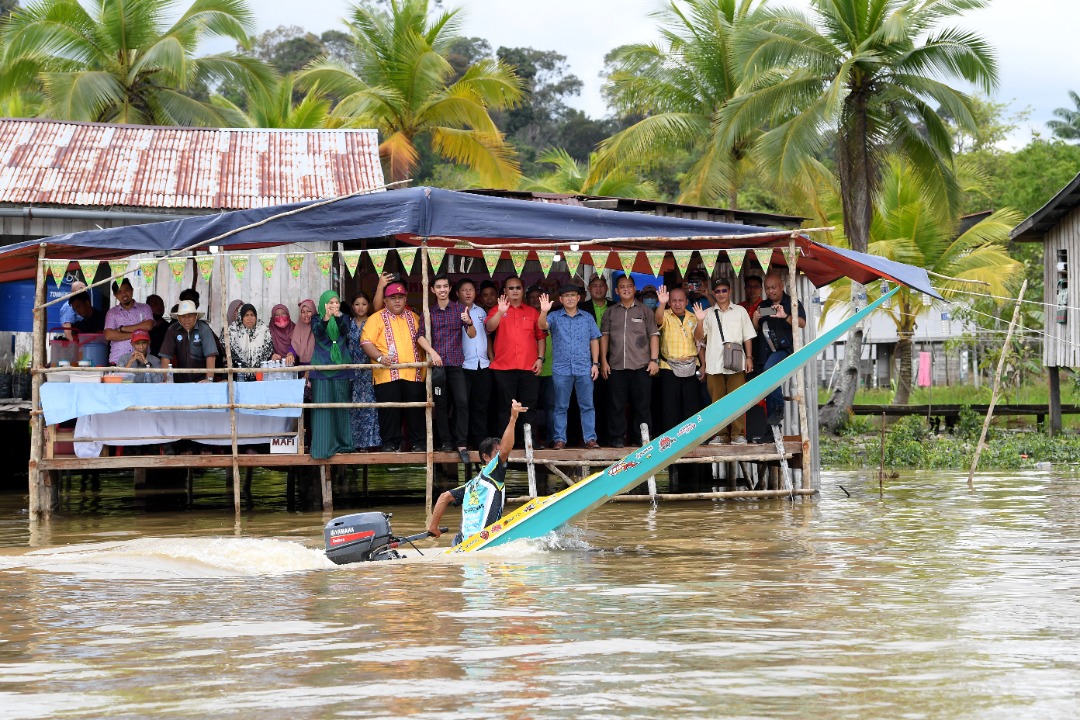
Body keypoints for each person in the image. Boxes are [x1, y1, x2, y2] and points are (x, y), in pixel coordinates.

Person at [427, 399, 525, 545]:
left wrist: (433, 527)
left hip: (462, 542)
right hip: (482, 541)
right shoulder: (493, 472)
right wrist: (513, 419)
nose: (502, 457)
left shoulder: (470, 485)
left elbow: (444, 497)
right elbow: (505, 450)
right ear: (486, 457)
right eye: (497, 453)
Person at [361, 281, 440, 452]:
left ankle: (418, 443)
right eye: (393, 298)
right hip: (387, 375)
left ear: (406, 299)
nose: (397, 301)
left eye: (400, 297)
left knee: (416, 411)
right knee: (390, 412)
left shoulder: (415, 317)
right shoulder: (376, 318)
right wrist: (380, 357)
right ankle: (390, 444)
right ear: (385, 300)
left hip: (414, 374)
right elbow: (366, 342)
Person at [485, 274, 545, 448]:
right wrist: (501, 312)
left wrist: (540, 358)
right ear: (505, 291)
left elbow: (541, 337)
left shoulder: (532, 312)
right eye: (510, 288)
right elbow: (489, 327)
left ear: (522, 290)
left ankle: (529, 441)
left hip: (529, 366)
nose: (515, 291)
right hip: (503, 367)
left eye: (518, 287)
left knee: (529, 407)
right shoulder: (496, 309)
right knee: (505, 408)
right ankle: (505, 443)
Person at [600, 274, 659, 448]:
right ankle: (617, 438)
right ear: (616, 290)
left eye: (629, 286)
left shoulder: (645, 311)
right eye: (622, 286)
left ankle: (642, 438)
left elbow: (654, 335)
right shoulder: (610, 312)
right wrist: (603, 361)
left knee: (642, 406)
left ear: (634, 289)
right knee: (616, 405)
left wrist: (654, 360)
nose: (626, 289)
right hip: (616, 366)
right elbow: (604, 337)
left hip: (641, 366)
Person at [694, 277, 756, 444]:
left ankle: (738, 434)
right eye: (718, 291)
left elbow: (748, 336)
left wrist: (749, 358)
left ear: (730, 291)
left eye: (724, 290)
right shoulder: (707, 313)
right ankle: (720, 434)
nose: (721, 294)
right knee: (717, 402)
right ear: (713, 293)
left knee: (737, 399)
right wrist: (699, 321)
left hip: (736, 362)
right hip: (714, 363)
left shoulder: (740, 311)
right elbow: (699, 338)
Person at [538, 286, 601, 450]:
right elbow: (542, 326)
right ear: (561, 299)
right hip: (561, 368)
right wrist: (544, 311)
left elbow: (594, 340)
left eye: (573, 295)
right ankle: (559, 439)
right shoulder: (554, 316)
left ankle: (590, 439)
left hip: (584, 368)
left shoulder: (587, 317)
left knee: (587, 405)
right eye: (566, 296)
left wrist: (595, 364)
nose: (570, 298)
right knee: (560, 406)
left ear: (579, 298)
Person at [428, 274, 475, 458]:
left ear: (449, 288)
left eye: (445, 286)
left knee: (462, 402)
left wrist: (469, 322)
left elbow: (472, 334)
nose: (442, 290)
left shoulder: (460, 309)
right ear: (433, 290)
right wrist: (433, 353)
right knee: (441, 405)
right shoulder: (429, 312)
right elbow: (420, 336)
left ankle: (461, 443)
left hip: (455, 365)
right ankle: (445, 442)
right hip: (438, 367)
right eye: (438, 287)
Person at [753, 271, 806, 428]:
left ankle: (778, 407)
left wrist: (785, 316)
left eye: (773, 287)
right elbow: (755, 329)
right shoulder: (764, 306)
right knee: (767, 386)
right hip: (765, 352)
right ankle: (773, 429)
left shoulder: (792, 302)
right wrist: (755, 319)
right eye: (767, 288)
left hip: (784, 350)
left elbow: (802, 323)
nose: (770, 291)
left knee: (770, 371)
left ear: (782, 286)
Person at [654, 285, 704, 433]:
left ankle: (691, 437)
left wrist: (700, 321)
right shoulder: (665, 314)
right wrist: (661, 303)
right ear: (669, 302)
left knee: (691, 405)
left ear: (686, 301)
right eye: (674, 301)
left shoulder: (693, 317)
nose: (677, 304)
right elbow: (657, 320)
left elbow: (699, 339)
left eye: (681, 300)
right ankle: (671, 439)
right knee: (670, 407)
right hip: (669, 367)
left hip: (691, 365)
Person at [309, 291, 353, 459]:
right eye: (330, 303)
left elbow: (345, 330)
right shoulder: (316, 319)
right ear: (324, 304)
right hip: (321, 369)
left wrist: (338, 316)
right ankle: (322, 448)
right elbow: (318, 332)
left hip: (341, 367)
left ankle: (344, 445)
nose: (334, 305)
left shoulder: (344, 317)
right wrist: (326, 318)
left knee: (341, 408)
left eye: (336, 302)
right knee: (322, 409)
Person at [456, 278, 492, 451]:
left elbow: (487, 337)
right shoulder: (454, 311)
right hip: (463, 366)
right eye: (464, 290)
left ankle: (480, 441)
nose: (468, 293)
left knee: (481, 405)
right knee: (463, 405)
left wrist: (491, 359)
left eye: (471, 289)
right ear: (457, 293)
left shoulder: (481, 312)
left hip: (482, 365)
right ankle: (463, 439)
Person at [344, 292, 380, 451]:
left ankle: (368, 443)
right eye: (357, 304)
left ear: (369, 306)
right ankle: (353, 443)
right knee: (352, 407)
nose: (360, 307)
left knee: (369, 406)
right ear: (352, 306)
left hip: (368, 370)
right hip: (351, 370)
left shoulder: (374, 322)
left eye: (364, 304)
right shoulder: (348, 323)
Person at [579, 273, 611, 444]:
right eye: (595, 286)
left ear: (607, 288)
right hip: (585, 360)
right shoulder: (581, 308)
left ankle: (608, 438)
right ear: (589, 289)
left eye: (601, 285)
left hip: (613, 359)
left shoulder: (615, 306)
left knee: (610, 400)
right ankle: (585, 438)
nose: (598, 289)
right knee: (587, 401)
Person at [158, 300, 219, 383]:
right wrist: (167, 379)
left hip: (201, 380)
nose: (186, 319)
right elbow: (165, 357)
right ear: (178, 318)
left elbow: (211, 356)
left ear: (196, 316)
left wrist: (209, 379)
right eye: (183, 316)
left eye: (190, 316)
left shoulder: (204, 329)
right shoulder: (172, 329)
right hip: (180, 380)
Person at [104, 278, 154, 365]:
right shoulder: (112, 313)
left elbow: (148, 325)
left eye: (126, 290)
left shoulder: (144, 308)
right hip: (118, 360)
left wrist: (122, 329)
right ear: (115, 295)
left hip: (142, 360)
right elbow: (109, 335)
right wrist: (137, 336)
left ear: (132, 290)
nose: (124, 294)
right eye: (119, 292)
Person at [227, 303, 274, 381]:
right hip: (238, 375)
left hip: (260, 375)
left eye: (252, 315)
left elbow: (268, 353)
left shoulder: (263, 330)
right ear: (241, 317)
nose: (250, 318)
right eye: (246, 315)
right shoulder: (233, 331)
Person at [290, 299, 317, 365]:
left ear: (313, 312)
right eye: (303, 312)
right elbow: (294, 347)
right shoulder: (298, 328)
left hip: (317, 366)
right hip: (302, 367)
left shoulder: (319, 328)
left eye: (309, 311)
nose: (306, 315)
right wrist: (290, 354)